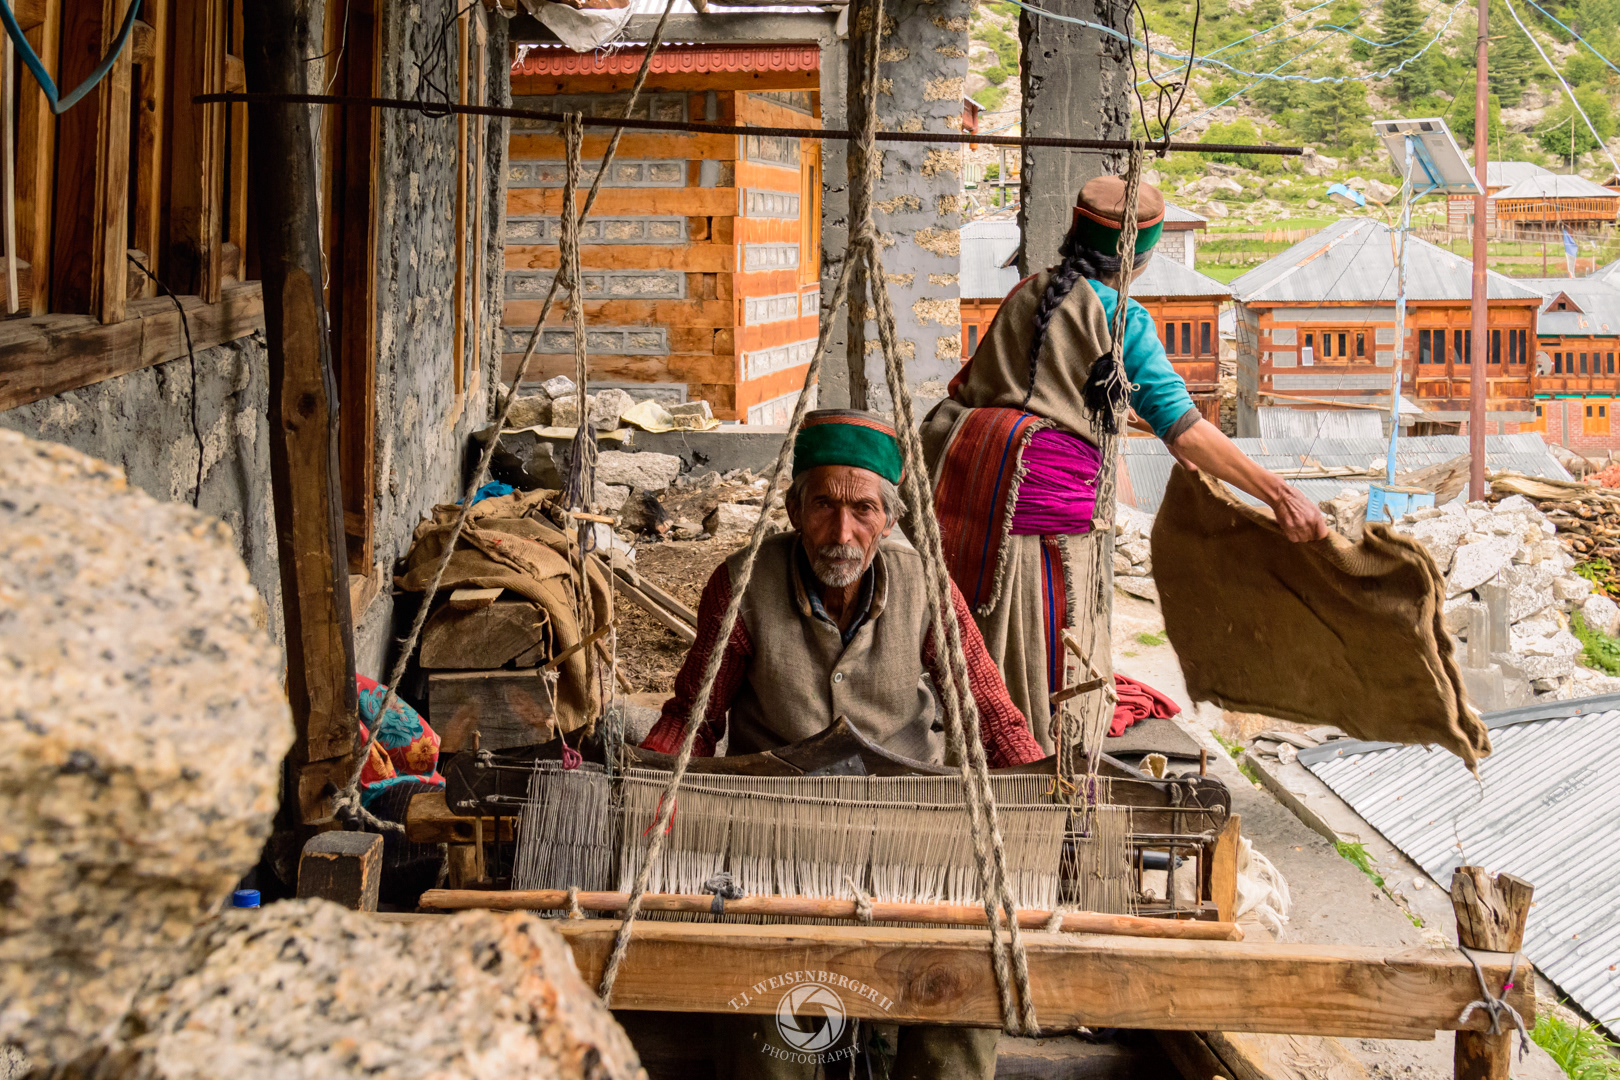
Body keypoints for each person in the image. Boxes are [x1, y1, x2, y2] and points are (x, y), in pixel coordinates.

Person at [641, 408, 1043, 1079]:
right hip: (779, 834)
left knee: (961, 989)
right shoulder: (742, 585)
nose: (842, 530)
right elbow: (694, 715)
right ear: (794, 510)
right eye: (823, 505)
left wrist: (1046, 807)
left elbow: (989, 717)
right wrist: (646, 796)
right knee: (769, 1014)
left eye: (862, 509)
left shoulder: (926, 587)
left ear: (889, 519)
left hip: (909, 834)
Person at [921, 175, 1328, 756]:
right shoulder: (1120, 319)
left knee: (980, 640)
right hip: (1047, 528)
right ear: (1144, 255)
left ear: (1073, 234)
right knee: (1048, 653)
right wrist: (1279, 494)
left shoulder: (1027, 292)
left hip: (971, 499)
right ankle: (1034, 767)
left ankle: (973, 745)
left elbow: (974, 389)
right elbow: (1185, 432)